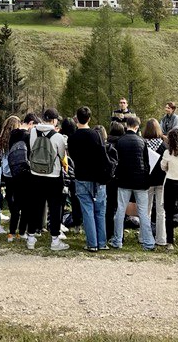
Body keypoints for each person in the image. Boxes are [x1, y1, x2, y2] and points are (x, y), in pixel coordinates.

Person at [68, 106, 113, 252]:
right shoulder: (96, 135)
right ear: (89, 118)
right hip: (98, 177)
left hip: (81, 176)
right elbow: (102, 155)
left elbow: (73, 156)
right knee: (100, 211)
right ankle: (102, 242)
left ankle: (92, 243)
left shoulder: (73, 137)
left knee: (87, 211)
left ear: (77, 118)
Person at [27, 108, 69, 250]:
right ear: (54, 120)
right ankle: (55, 240)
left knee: (35, 206)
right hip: (53, 175)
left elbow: (32, 148)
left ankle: (31, 238)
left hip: (35, 173)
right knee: (55, 208)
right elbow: (61, 155)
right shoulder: (58, 137)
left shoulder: (33, 132)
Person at [110, 112, 153, 251]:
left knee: (120, 211)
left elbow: (117, 161)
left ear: (126, 125)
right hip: (140, 180)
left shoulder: (120, 141)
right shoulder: (142, 141)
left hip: (124, 180)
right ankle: (148, 242)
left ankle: (117, 240)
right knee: (143, 212)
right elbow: (147, 163)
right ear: (137, 127)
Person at [143, 119, 168, 247]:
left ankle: (144, 237)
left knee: (146, 211)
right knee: (161, 212)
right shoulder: (163, 146)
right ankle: (161, 238)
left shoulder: (143, 145)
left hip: (147, 181)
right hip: (161, 181)